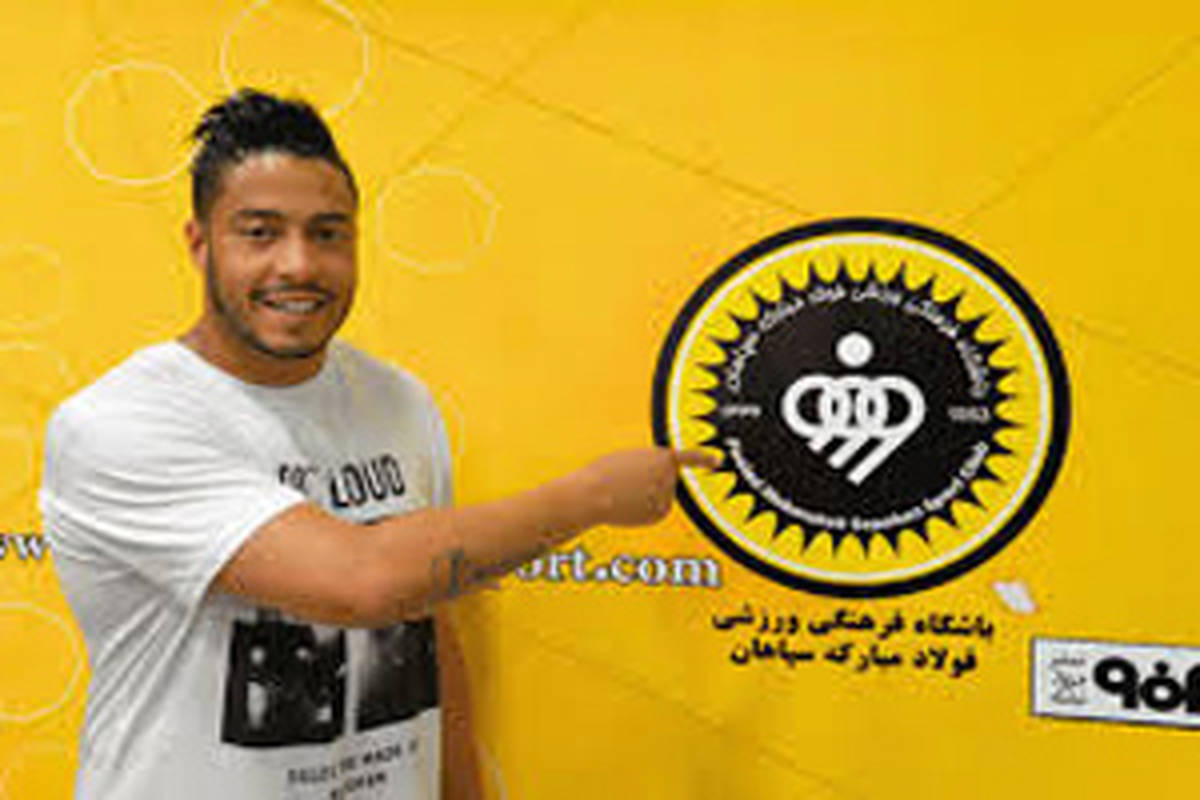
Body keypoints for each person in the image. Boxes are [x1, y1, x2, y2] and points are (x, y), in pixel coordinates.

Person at [40, 89, 712, 800]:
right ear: (199, 243)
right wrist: (593, 497)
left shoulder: (398, 400)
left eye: (328, 234)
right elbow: (364, 582)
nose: (298, 265)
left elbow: (425, 614)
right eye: (260, 233)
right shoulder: (122, 423)